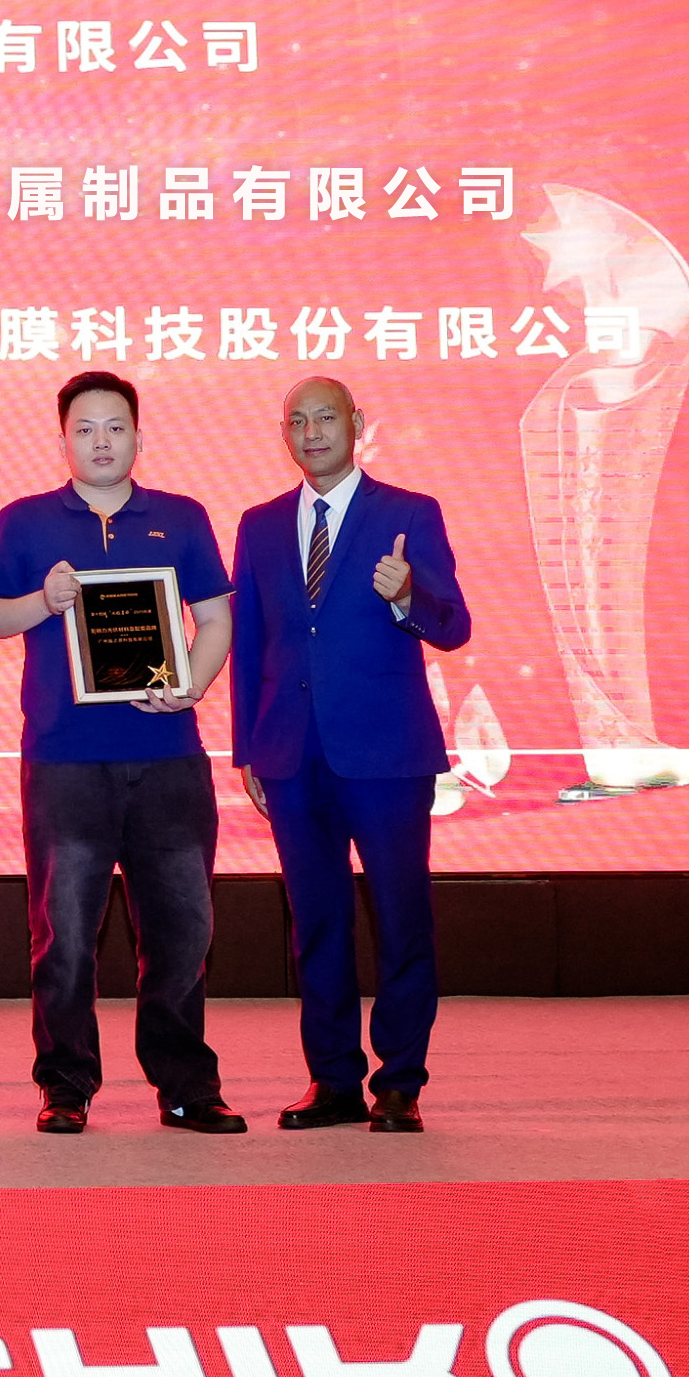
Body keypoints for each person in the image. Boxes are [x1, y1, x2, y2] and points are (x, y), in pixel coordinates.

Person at [0, 371, 244, 1135]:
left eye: (115, 426)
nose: (100, 441)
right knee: (63, 933)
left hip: (167, 756)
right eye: (85, 428)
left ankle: (186, 1085)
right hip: (64, 759)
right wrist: (43, 600)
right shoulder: (24, 520)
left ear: (137, 435)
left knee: (181, 931)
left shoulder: (181, 517)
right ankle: (65, 1083)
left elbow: (215, 619)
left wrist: (191, 685)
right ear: (62, 438)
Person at [230, 375, 473, 1133]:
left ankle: (399, 1081)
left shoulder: (409, 513)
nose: (311, 433)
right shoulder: (260, 524)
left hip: (387, 754)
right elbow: (250, 642)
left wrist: (405, 597)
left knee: (401, 917)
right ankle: (332, 1078)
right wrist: (247, 747)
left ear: (356, 423)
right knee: (316, 922)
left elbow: (453, 625)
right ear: (284, 434)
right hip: (289, 754)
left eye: (325, 417)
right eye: (296, 421)